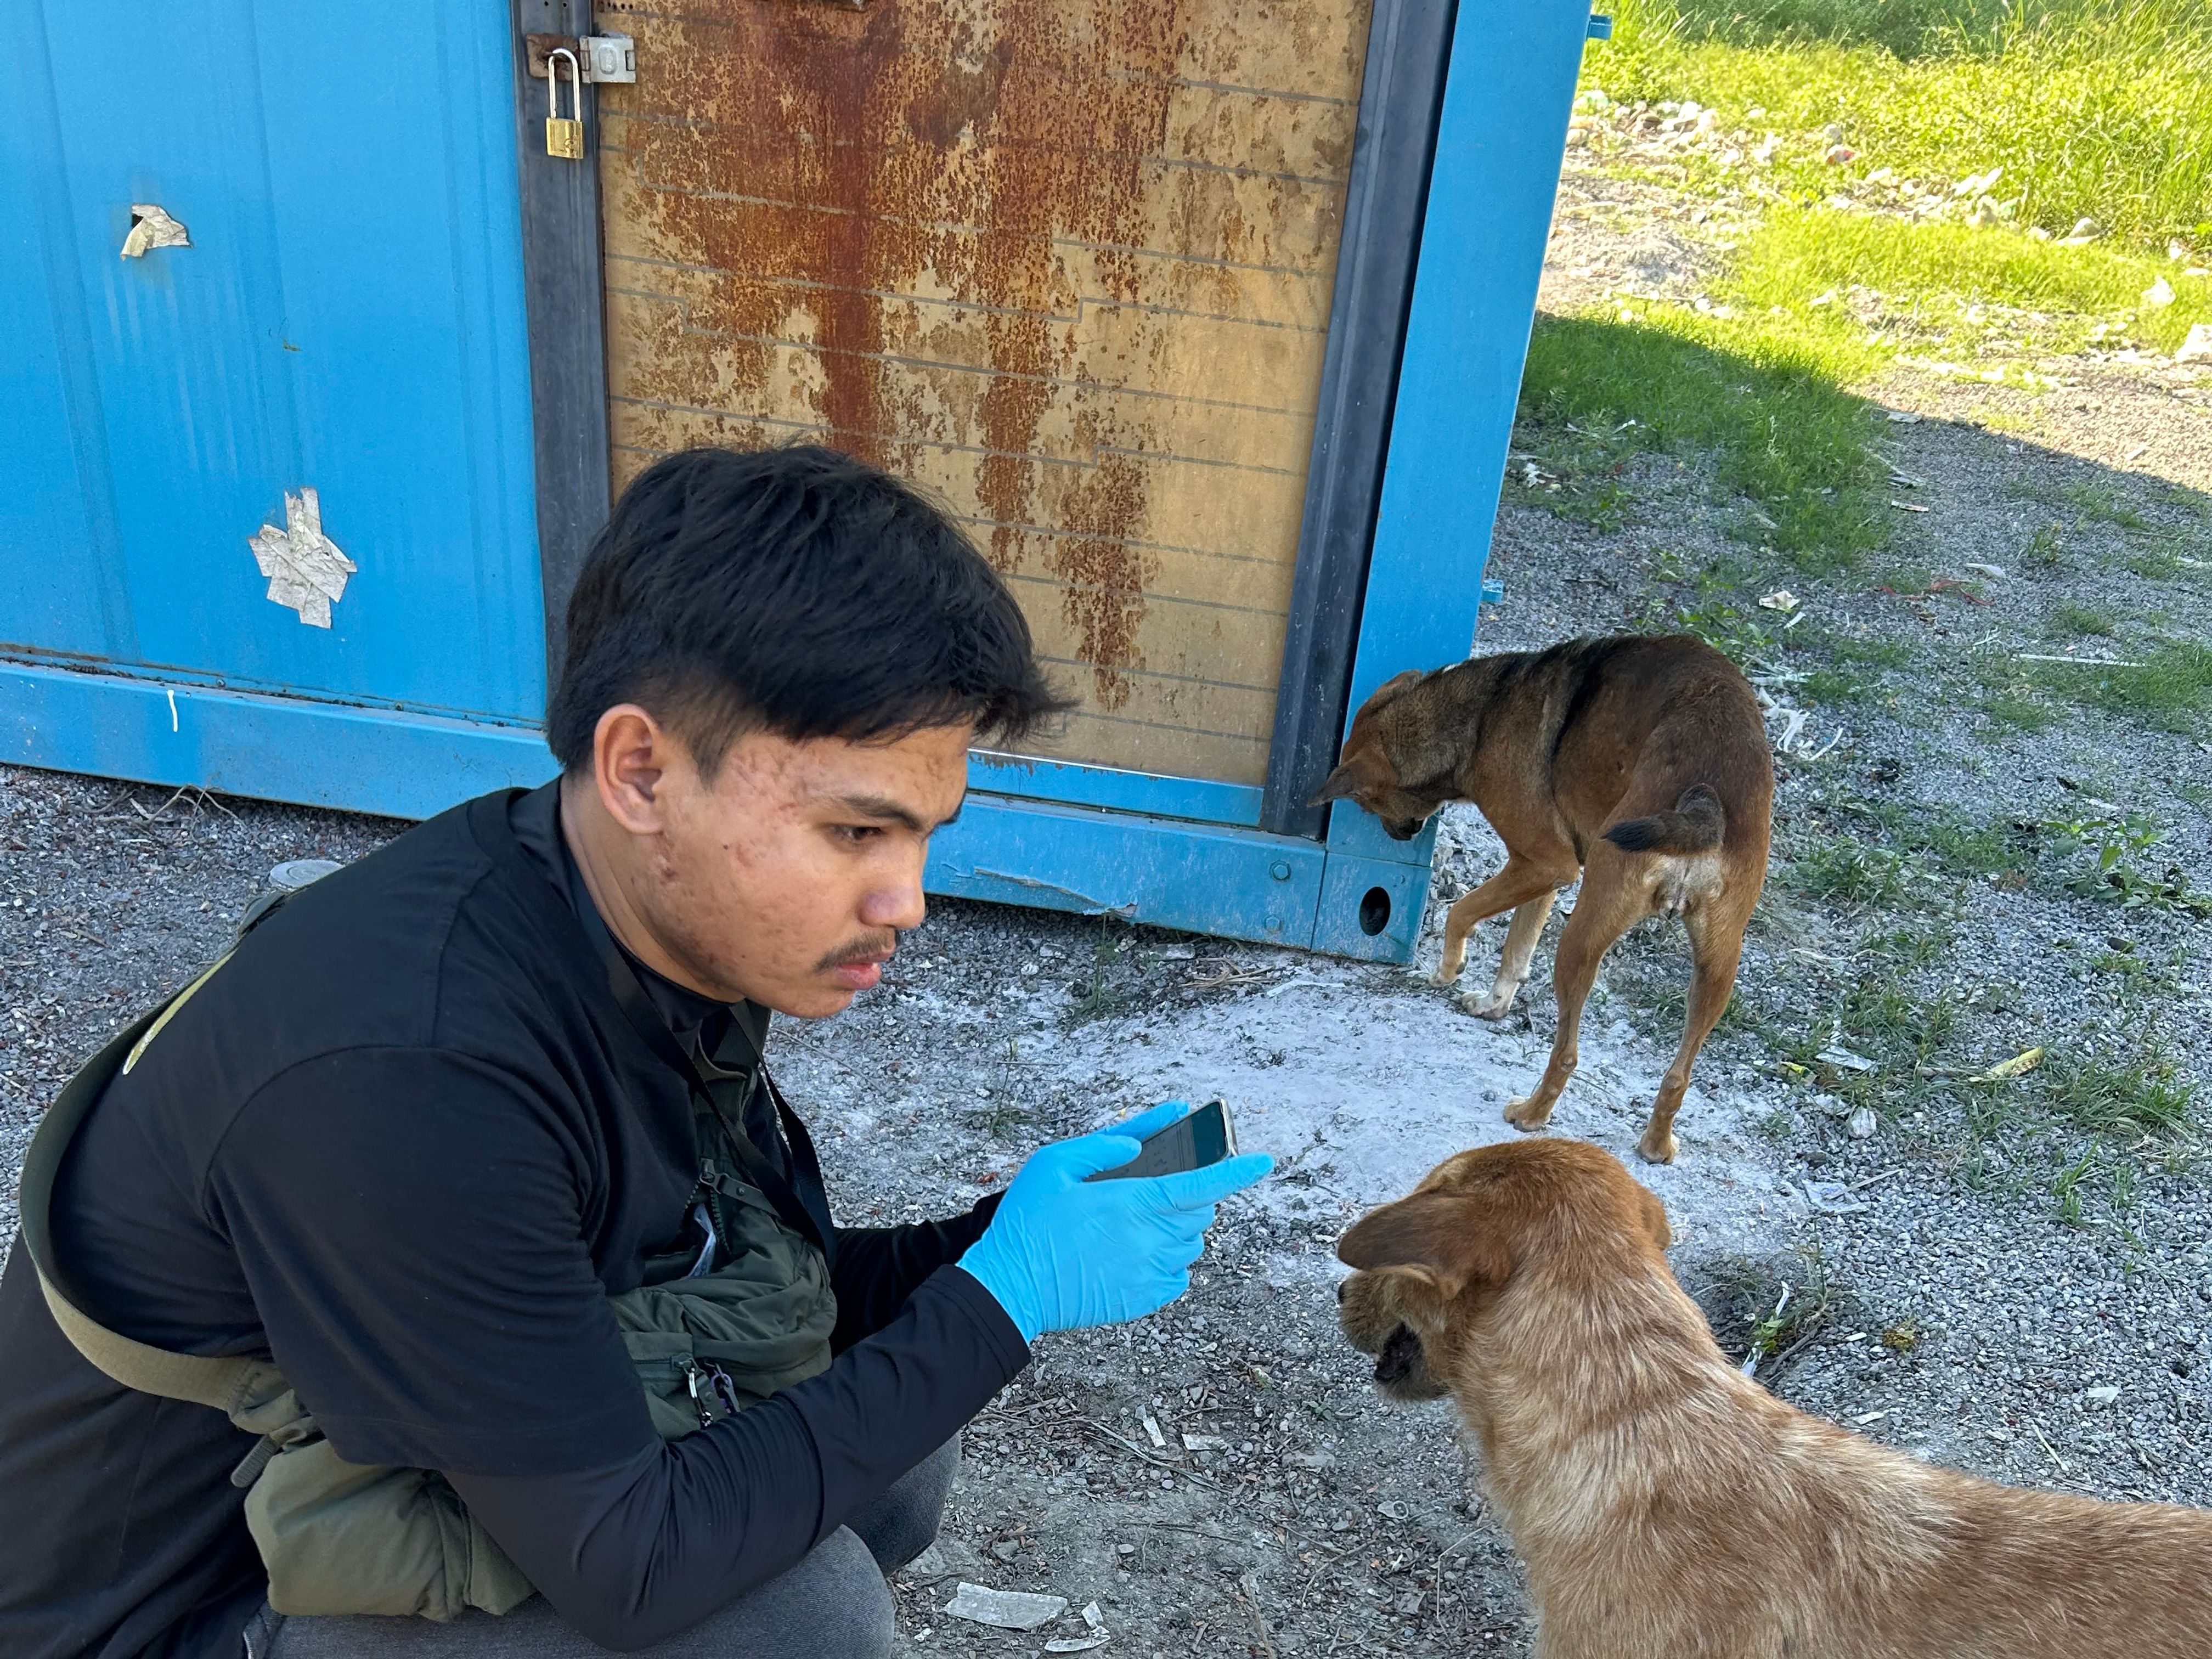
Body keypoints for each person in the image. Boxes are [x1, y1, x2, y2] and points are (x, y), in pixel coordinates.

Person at [0, 445, 1272, 1659]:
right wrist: (1007, 1300)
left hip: (377, 1481)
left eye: (924, 835)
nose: (907, 900)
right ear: (642, 771)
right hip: (181, 1613)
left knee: (882, 1427)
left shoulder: (621, 916)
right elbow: (633, 1567)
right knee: (793, 1622)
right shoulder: (419, 1075)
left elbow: (760, 1286)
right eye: (854, 834)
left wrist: (999, 1245)